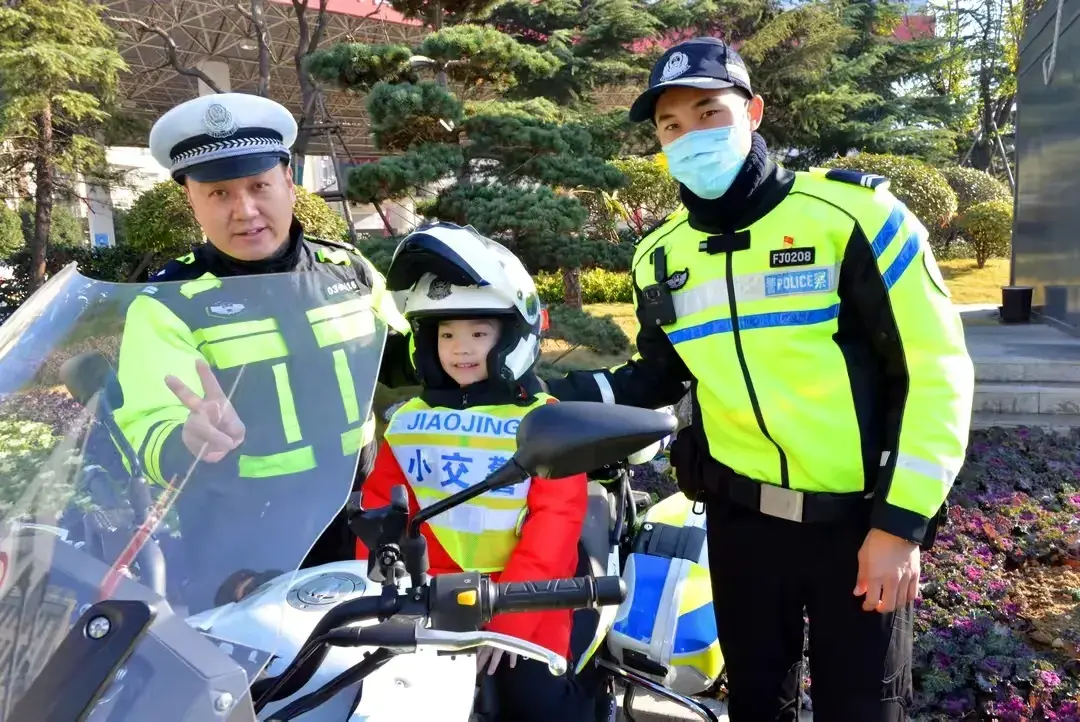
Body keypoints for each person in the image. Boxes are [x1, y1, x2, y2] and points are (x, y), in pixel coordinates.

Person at [543, 37, 976, 721]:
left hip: (858, 526)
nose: (690, 137)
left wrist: (900, 527)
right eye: (670, 125)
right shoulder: (660, 255)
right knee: (754, 704)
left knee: (862, 709)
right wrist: (540, 396)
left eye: (709, 113)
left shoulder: (855, 218)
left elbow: (936, 372)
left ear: (753, 112)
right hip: (741, 525)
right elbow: (657, 376)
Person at [112, 92, 416, 611]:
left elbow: (402, 362)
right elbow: (143, 425)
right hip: (242, 540)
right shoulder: (170, 302)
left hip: (360, 516)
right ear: (192, 201)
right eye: (219, 193)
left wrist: (477, 341)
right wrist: (187, 440)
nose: (245, 210)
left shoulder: (349, 270)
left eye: (259, 186)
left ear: (289, 182)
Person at [354, 222, 602, 722]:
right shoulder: (408, 422)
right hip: (429, 598)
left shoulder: (542, 420)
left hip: (527, 598)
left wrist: (510, 619)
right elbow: (381, 513)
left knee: (534, 705)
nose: (460, 348)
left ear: (512, 337)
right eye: (446, 333)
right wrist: (379, 591)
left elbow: (554, 529)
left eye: (478, 333)